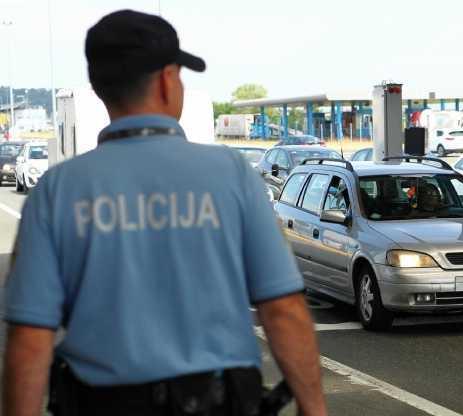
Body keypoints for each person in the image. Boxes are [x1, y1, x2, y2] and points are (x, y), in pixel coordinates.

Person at [2, 10, 326, 416]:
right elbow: (283, 309)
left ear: (100, 86)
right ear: (166, 80)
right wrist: (314, 409)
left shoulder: (56, 191)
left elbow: (30, 338)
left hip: (100, 404)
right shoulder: (232, 175)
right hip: (219, 401)